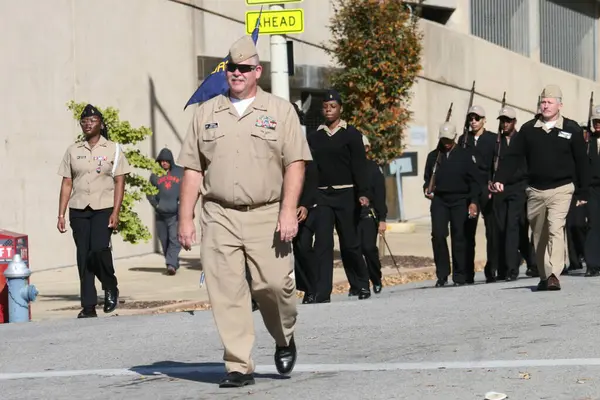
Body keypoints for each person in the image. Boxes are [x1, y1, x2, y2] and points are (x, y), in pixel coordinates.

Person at [176, 35, 312, 388]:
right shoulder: (206, 113)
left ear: (257, 71)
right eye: (231, 68)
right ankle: (238, 364)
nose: (236, 73)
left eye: (243, 68)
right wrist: (186, 217)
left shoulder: (280, 111)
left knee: (274, 286)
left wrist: (287, 211)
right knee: (226, 291)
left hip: (267, 213)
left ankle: (284, 337)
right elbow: (192, 169)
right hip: (219, 214)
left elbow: (295, 164)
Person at [492, 84, 590, 291]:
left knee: (555, 228)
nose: (545, 106)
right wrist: (500, 178)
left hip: (562, 189)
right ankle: (545, 275)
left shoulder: (571, 129)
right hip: (535, 191)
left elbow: (582, 162)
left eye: (549, 102)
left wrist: (583, 191)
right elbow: (513, 157)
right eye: (543, 102)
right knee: (539, 235)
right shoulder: (528, 130)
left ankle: (554, 273)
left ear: (560, 105)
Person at [56, 104, 131, 318]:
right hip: (78, 209)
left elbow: (119, 182)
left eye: (93, 120)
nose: (88, 124)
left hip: (103, 207)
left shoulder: (113, 149)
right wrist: (60, 214)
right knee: (83, 256)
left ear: (101, 123)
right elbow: (67, 183)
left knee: (98, 249)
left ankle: (110, 285)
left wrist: (116, 212)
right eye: (84, 121)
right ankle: (88, 306)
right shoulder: (73, 150)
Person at [308, 89, 372, 302]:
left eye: (333, 106)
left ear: (340, 109)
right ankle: (322, 292)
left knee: (350, 243)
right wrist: (310, 198)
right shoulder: (315, 137)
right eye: (325, 106)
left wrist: (362, 193)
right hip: (324, 197)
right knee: (323, 244)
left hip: (347, 194)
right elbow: (312, 169)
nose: (328, 110)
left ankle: (362, 284)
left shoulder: (352, 135)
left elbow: (359, 166)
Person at [424, 122, 480, 287]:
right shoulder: (434, 156)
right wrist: (427, 189)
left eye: (449, 139)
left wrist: (473, 202)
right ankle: (442, 274)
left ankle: (460, 275)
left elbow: (475, 181)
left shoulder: (465, 155)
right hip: (440, 200)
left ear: (455, 137)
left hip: (460, 199)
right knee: (438, 235)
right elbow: (427, 179)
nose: (446, 142)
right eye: (443, 139)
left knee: (459, 236)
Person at [458, 105, 497, 283]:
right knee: (468, 232)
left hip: (486, 187)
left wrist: (492, 182)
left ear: (484, 120)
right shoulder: (463, 140)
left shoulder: (492, 139)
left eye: (477, 118)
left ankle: (492, 269)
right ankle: (467, 273)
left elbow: (495, 164)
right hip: (469, 189)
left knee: (492, 231)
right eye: (471, 118)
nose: (473, 121)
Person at [489, 106, 528, 281]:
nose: (504, 124)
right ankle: (504, 267)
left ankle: (512, 269)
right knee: (501, 228)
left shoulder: (522, 140)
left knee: (513, 226)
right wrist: (491, 183)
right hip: (499, 189)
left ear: (514, 122)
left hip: (518, 188)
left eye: (508, 121)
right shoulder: (496, 142)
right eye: (502, 121)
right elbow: (489, 166)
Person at [147, 148, 183, 275]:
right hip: (160, 213)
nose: (164, 163)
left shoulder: (180, 172)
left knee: (174, 238)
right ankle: (173, 261)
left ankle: (171, 265)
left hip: (175, 213)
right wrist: (156, 205)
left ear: (171, 161)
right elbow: (149, 192)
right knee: (164, 239)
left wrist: (182, 204)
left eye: (166, 161)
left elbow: (187, 189)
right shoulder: (155, 174)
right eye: (161, 161)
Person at [358, 135, 387, 293]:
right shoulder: (348, 168)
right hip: (352, 215)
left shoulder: (373, 169)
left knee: (368, 248)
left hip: (369, 215)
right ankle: (360, 284)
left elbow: (381, 195)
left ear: (367, 148)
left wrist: (382, 218)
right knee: (354, 250)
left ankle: (376, 278)